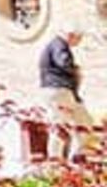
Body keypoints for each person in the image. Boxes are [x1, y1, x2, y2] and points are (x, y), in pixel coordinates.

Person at [37, 29, 92, 159]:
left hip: (64, 92)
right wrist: (75, 70)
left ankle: (77, 155)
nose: (78, 42)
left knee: (84, 120)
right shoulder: (59, 44)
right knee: (60, 126)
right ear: (71, 35)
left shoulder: (57, 45)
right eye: (78, 38)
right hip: (58, 91)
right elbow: (63, 62)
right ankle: (56, 161)